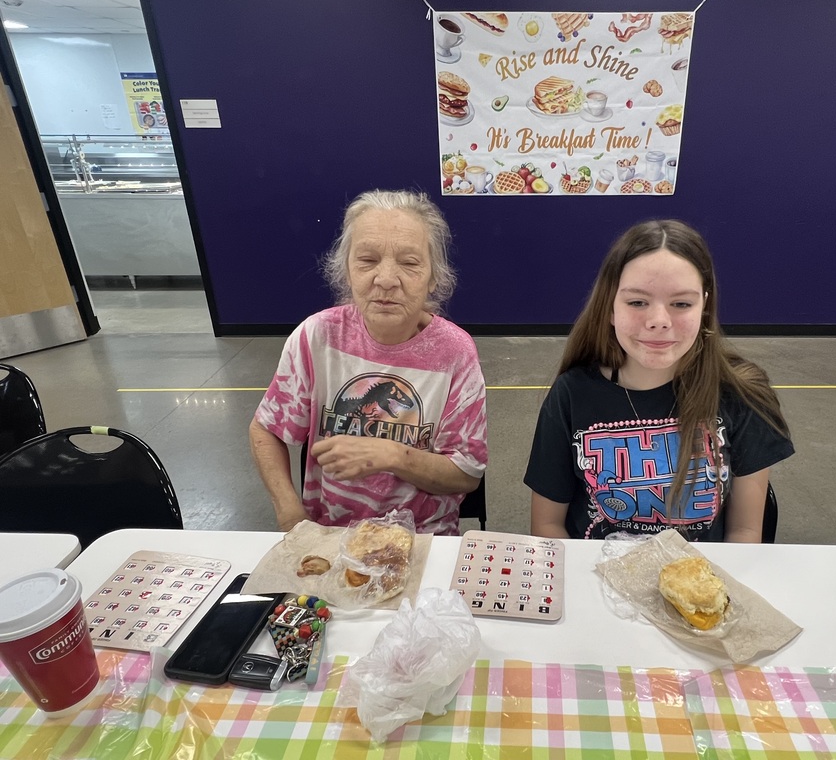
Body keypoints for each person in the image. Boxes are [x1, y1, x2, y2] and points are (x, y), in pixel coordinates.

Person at [525, 219, 793, 542]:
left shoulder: (743, 395)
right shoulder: (571, 395)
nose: (658, 321)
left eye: (681, 304)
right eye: (637, 302)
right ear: (610, 308)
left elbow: (744, 531)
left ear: (704, 307)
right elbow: (547, 526)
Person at [249, 189, 487, 535]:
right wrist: (289, 513)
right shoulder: (317, 338)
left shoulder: (455, 354)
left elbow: (466, 474)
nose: (386, 280)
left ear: (434, 276)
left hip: (423, 539)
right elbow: (266, 429)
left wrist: (393, 456)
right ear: (346, 270)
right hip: (329, 536)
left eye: (409, 263)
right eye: (367, 260)